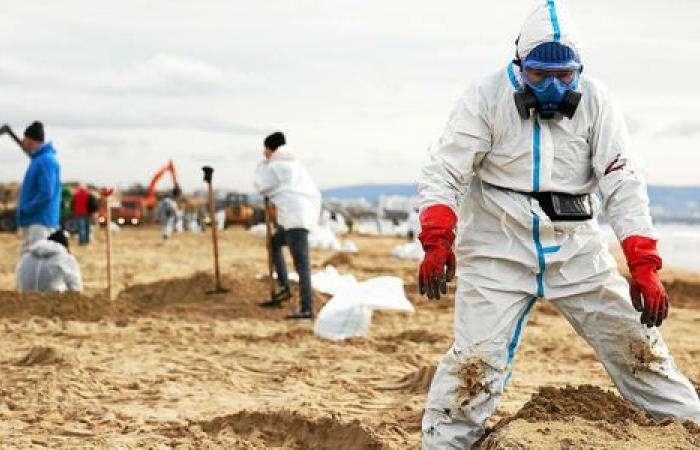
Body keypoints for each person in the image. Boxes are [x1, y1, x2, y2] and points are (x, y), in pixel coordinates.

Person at [416, 1, 700, 447]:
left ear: (579, 70)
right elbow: (447, 170)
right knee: (473, 362)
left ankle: (690, 429)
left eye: (564, 76)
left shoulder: (598, 102)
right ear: (518, 64)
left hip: (576, 249)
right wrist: (437, 240)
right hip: (498, 249)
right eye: (537, 75)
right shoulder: (485, 97)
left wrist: (643, 265)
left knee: (639, 350)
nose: (551, 87)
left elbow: (622, 181)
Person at [255, 131, 321, 320]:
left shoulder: (277, 165)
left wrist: (264, 164)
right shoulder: (294, 164)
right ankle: (284, 287)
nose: (264, 153)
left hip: (295, 218)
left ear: (271, 149)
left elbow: (261, 185)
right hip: (298, 216)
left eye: (265, 150)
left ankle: (307, 307)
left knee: (302, 264)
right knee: (274, 243)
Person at [17, 121, 62, 254]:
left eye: (24, 138)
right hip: (34, 220)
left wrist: (27, 208)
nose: (22, 142)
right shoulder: (39, 160)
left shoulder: (45, 161)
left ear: (31, 140)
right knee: (29, 261)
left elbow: (46, 192)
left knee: (36, 260)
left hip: (40, 221)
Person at [16, 230, 83, 293]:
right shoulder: (65, 258)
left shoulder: (26, 256)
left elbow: (19, 283)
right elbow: (76, 289)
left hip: (25, 299)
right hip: (52, 301)